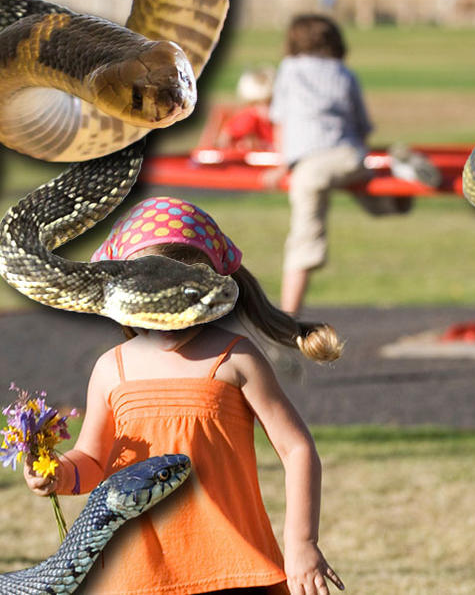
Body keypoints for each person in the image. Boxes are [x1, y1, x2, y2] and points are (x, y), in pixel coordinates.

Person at [23, 196, 345, 595]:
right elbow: (93, 461)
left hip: (232, 571)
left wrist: (301, 543)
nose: (171, 318)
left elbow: (296, 449)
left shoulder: (236, 359)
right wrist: (56, 473)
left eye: (185, 301)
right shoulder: (111, 369)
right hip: (136, 577)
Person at [266, 13, 412, 315]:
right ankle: (398, 197)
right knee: (363, 189)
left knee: (304, 238)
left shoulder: (290, 70)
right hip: (348, 156)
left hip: (310, 164)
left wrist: (282, 166)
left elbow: (280, 120)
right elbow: (362, 126)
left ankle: (287, 317)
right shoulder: (344, 73)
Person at [216, 67, 276, 150]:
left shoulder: (279, 123)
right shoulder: (248, 119)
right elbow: (224, 139)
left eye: (270, 102)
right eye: (258, 103)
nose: (266, 108)